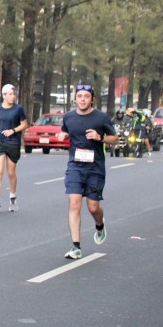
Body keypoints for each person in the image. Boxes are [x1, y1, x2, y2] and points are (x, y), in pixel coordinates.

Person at [56, 84, 118, 259]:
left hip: (95, 168)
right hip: (75, 166)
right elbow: (65, 131)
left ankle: (99, 224)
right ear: (75, 99)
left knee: (93, 207)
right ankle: (76, 247)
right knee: (74, 203)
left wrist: (100, 137)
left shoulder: (101, 118)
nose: (82, 100)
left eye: (86, 97)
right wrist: (63, 135)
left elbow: (115, 139)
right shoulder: (69, 117)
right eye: (79, 96)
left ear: (92, 100)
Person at [0, 84, 28, 212]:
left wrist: (13, 131)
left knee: (11, 172)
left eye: (14, 94)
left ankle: (13, 197)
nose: (12, 97)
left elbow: (24, 124)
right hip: (0, 142)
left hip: (13, 142)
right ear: (3, 95)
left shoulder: (18, 109)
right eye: (10, 94)